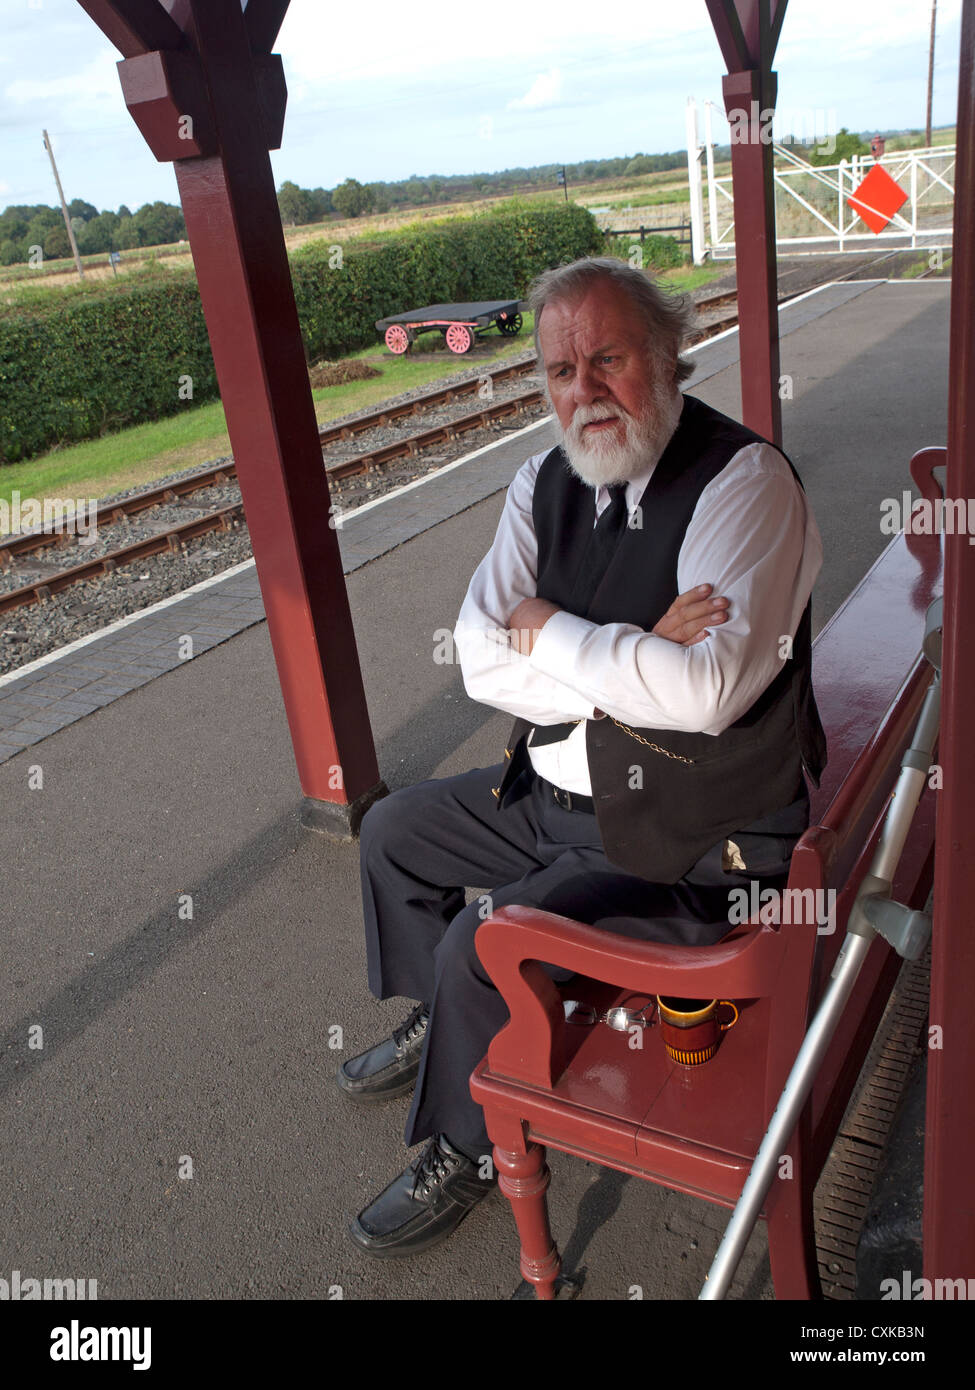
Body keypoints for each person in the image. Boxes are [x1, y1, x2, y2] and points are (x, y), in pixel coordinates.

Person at [337, 256, 827, 1258]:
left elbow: (708, 693)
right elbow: (479, 657)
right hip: (555, 786)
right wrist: (640, 636)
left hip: (694, 835)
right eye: (561, 371)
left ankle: (468, 1144)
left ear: (669, 355)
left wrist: (545, 628)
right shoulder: (541, 479)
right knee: (390, 831)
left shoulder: (746, 481)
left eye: (607, 359)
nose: (583, 391)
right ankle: (450, 1024)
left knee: (483, 938)